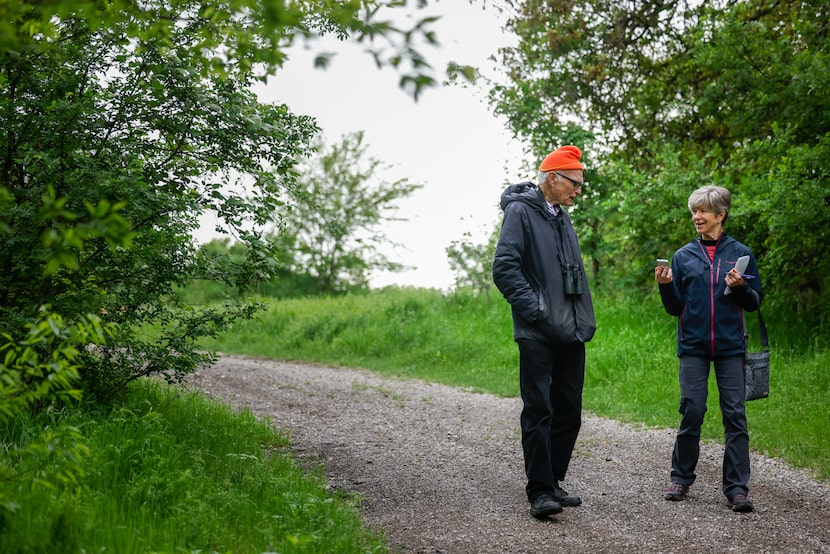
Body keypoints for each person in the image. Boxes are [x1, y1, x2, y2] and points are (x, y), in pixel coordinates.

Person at [492, 145, 597, 519]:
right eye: (575, 183)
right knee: (540, 410)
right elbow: (505, 268)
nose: (579, 190)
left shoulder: (560, 216)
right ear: (552, 178)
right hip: (537, 331)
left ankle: (553, 480)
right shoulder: (521, 212)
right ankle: (539, 491)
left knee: (569, 410)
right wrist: (535, 310)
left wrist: (579, 318)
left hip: (570, 330)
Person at [655, 184, 763, 513]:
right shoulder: (683, 256)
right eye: (694, 212)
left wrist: (741, 287)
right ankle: (681, 477)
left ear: (720, 215)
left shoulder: (741, 254)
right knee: (692, 410)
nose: (696, 217)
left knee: (735, 416)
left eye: (702, 211)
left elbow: (755, 301)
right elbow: (675, 308)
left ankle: (736, 488)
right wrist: (666, 286)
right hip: (693, 347)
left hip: (731, 347)